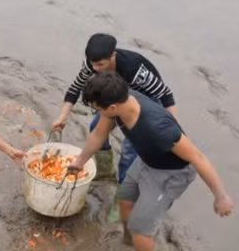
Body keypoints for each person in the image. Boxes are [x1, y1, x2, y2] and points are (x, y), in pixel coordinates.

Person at [67, 72, 233, 251]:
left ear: (112, 107)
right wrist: (80, 161)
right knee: (124, 198)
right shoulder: (118, 103)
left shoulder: (158, 128)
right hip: (146, 160)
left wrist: (221, 196)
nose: (98, 113)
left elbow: (197, 157)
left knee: (140, 227)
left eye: (98, 109)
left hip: (171, 173)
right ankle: (130, 239)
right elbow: (98, 135)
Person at [52, 33, 178, 183]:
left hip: (143, 102)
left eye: (101, 65)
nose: (95, 69)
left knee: (130, 151)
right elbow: (75, 88)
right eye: (93, 64)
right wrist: (62, 117)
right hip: (113, 95)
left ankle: (123, 189)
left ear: (113, 55)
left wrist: (173, 130)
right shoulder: (92, 64)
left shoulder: (134, 70)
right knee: (95, 128)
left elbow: (165, 94)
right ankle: (104, 171)